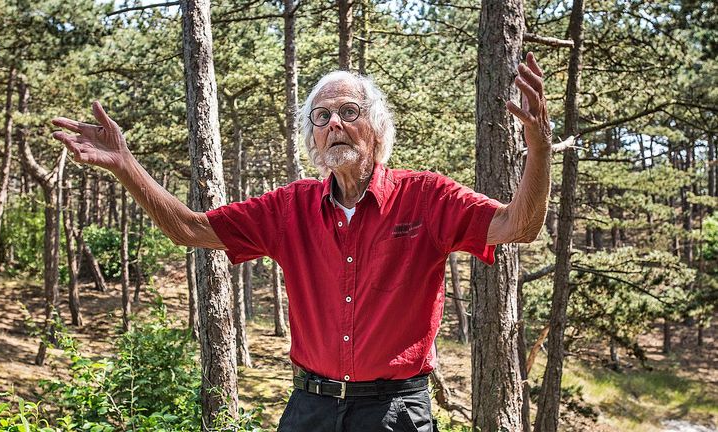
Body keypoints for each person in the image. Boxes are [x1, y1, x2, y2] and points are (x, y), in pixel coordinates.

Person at [52, 52, 552, 432]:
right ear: (312, 141)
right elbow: (189, 228)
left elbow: (518, 227)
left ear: (376, 131)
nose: (333, 122)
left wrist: (537, 147)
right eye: (321, 116)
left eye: (348, 111)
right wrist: (125, 164)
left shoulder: (426, 197)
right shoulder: (288, 209)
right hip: (309, 408)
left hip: (396, 410)